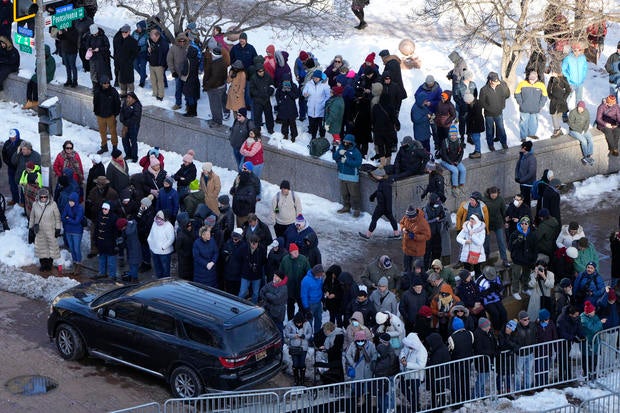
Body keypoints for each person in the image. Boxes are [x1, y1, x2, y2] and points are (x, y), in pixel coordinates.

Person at [358, 169, 400, 240]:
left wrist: (388, 208)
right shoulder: (383, 182)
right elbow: (379, 191)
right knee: (391, 219)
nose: (374, 177)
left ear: (379, 176)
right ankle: (397, 234)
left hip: (382, 206)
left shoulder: (385, 184)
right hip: (384, 206)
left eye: (375, 175)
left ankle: (367, 235)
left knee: (374, 219)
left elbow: (388, 197)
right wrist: (373, 196)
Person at [30, 189, 61, 272]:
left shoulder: (53, 204)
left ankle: (49, 264)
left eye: (45, 197)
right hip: (40, 231)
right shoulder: (35, 205)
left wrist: (58, 228)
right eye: (42, 197)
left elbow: (57, 217)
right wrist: (30, 228)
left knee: (51, 248)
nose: (43, 198)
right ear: (39, 197)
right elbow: (32, 217)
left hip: (50, 230)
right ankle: (43, 265)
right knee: (41, 248)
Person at [333, 134, 363, 217]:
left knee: (354, 194)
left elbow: (358, 163)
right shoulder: (341, 148)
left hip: (352, 177)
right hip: (342, 175)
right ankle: (346, 207)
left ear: (352, 143)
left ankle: (356, 209)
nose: (346, 143)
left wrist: (347, 160)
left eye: (348, 142)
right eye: (345, 142)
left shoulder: (356, 152)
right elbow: (335, 157)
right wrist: (339, 153)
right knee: (344, 193)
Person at [479, 71, 510, 151]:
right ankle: (490, 144)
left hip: (499, 113)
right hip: (489, 114)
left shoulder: (501, 87)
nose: (496, 83)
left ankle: (504, 142)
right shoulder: (484, 90)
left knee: (501, 128)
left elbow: (507, 95)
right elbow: (482, 103)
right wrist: (489, 108)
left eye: (497, 81)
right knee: (489, 130)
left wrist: (504, 85)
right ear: (490, 81)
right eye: (494, 82)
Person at [509, 216, 537, 300]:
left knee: (526, 275)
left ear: (529, 225)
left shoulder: (532, 234)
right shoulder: (515, 234)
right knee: (516, 275)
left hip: (528, 259)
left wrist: (533, 259)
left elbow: (535, 248)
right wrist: (518, 241)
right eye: (522, 223)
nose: (524, 225)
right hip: (517, 258)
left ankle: (525, 288)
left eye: (526, 224)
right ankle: (515, 291)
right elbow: (511, 247)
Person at [514, 70, 548, 141]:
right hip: (524, 108)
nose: (531, 81)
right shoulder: (522, 83)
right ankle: (523, 137)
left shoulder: (541, 85)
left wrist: (540, 105)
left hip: (535, 109)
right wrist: (520, 103)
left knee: (534, 123)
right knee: (523, 123)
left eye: (533, 79)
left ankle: (532, 134)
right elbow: (517, 93)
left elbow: (544, 96)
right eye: (530, 79)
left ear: (536, 78)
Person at [345, 331, 377, 406]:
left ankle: (371, 400)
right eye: (358, 341)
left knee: (369, 385)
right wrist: (353, 364)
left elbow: (374, 354)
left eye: (362, 340)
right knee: (358, 386)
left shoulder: (370, 345)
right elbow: (348, 354)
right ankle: (361, 399)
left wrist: (372, 362)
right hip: (357, 370)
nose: (360, 342)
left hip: (367, 370)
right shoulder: (353, 345)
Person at [398, 331, 427, 411]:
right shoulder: (408, 345)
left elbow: (421, 365)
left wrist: (407, 364)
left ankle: (416, 407)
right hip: (406, 373)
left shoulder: (422, 351)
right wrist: (403, 357)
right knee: (402, 386)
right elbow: (403, 351)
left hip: (416, 375)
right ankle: (413, 402)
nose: (409, 347)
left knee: (415, 391)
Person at [93, 75, 121, 155]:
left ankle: (115, 147)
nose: (106, 84)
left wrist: (115, 114)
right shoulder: (97, 91)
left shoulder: (113, 91)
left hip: (110, 116)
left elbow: (117, 103)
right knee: (102, 132)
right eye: (104, 83)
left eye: (108, 83)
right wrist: (96, 112)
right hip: (100, 115)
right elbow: (95, 102)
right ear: (101, 84)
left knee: (113, 132)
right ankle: (104, 146)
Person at [399, 205, 431, 273]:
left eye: (411, 218)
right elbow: (401, 223)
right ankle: (407, 282)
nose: (409, 219)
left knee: (417, 272)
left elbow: (427, 236)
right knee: (406, 270)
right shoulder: (407, 217)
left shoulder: (423, 222)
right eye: (408, 218)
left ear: (415, 215)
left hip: (417, 252)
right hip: (407, 250)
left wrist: (415, 236)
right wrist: (403, 228)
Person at [23, 45, 55, 110]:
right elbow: (36, 66)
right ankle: (29, 100)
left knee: (36, 84)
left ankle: (35, 100)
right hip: (39, 74)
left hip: (47, 76)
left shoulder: (51, 60)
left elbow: (49, 70)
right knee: (30, 83)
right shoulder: (40, 58)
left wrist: (42, 66)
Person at [285, 312, 313, 386]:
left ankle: (302, 380)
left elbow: (310, 333)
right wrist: (294, 335)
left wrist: (305, 336)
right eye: (297, 323)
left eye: (300, 323)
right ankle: (296, 379)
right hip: (294, 347)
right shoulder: (289, 323)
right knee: (295, 364)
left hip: (303, 347)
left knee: (302, 363)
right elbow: (286, 334)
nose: (298, 325)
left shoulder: (307, 323)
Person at [203, 47, 228, 127]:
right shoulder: (221, 61)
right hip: (219, 86)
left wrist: (206, 86)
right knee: (216, 105)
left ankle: (217, 122)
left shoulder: (217, 63)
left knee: (215, 105)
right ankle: (215, 119)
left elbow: (214, 78)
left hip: (215, 88)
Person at [473, 317, 498, 398]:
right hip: (481, 362)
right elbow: (479, 350)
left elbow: (492, 343)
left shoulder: (489, 332)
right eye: (488, 326)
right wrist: (491, 352)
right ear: (483, 326)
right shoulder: (478, 335)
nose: (490, 327)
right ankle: (476, 395)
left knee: (484, 380)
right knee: (481, 380)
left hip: (487, 361)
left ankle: (482, 395)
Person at [238, 235, 267, 304]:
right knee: (242, 292)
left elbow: (264, 261)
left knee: (255, 293)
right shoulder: (244, 248)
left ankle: (253, 307)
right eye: (252, 243)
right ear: (249, 242)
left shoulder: (262, 249)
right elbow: (240, 259)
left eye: (256, 243)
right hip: (245, 274)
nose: (254, 245)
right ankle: (238, 305)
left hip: (257, 275)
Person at [439, 124, 466, 197]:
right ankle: (455, 187)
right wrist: (450, 163)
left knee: (463, 169)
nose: (453, 136)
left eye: (455, 135)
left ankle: (461, 185)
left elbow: (461, 153)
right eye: (452, 135)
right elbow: (444, 155)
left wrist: (458, 161)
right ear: (449, 135)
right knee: (455, 170)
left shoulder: (459, 141)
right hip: (446, 161)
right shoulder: (445, 142)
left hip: (456, 160)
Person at [259, 270, 288, 335]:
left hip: (278, 313)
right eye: (274, 276)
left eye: (276, 276)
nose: (274, 277)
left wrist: (267, 295)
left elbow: (276, 299)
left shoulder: (283, 288)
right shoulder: (271, 283)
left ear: (280, 279)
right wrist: (269, 298)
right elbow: (261, 291)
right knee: (267, 329)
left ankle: (281, 343)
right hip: (268, 310)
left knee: (279, 330)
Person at [147, 210, 175, 278]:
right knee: (157, 270)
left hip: (164, 253)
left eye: (160, 218)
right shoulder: (154, 223)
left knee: (165, 271)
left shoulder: (169, 226)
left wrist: (163, 247)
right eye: (157, 217)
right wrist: (149, 242)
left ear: (164, 218)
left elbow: (171, 239)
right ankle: (159, 284)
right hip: (154, 251)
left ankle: (166, 284)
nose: (158, 219)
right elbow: (151, 234)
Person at [580, 300, 604, 378]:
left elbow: (600, 329)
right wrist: (600, 323)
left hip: (595, 343)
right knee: (586, 360)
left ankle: (593, 374)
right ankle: (587, 375)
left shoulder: (595, 316)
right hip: (586, 344)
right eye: (593, 311)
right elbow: (593, 328)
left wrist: (598, 325)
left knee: (595, 360)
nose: (594, 312)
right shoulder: (583, 319)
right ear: (588, 313)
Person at [249, 64, 275, 134]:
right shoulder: (253, 78)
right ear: (257, 71)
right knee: (257, 116)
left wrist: (269, 92)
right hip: (257, 101)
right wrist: (260, 94)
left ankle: (270, 129)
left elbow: (272, 85)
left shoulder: (267, 76)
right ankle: (257, 129)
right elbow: (252, 90)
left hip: (266, 99)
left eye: (263, 71)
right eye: (260, 71)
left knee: (269, 115)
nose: (262, 72)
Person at [113, 24, 138, 97]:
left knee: (129, 81)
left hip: (128, 65)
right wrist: (116, 62)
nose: (124, 33)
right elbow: (116, 52)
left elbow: (135, 53)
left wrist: (130, 61)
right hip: (120, 64)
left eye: (125, 32)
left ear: (129, 32)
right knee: (121, 81)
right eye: (122, 32)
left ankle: (131, 95)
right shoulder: (118, 40)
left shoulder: (133, 41)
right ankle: (123, 94)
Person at [547, 65, 571, 137]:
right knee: (553, 115)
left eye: (554, 71)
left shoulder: (564, 79)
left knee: (559, 115)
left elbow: (568, 90)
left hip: (561, 101)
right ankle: (557, 129)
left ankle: (558, 130)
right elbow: (548, 89)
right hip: (554, 101)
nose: (552, 73)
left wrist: (564, 98)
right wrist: (550, 96)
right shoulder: (551, 79)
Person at [300, 264, 325, 335]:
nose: (321, 276)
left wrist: (323, 300)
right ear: (315, 273)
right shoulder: (306, 281)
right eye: (319, 274)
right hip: (310, 304)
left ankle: (317, 335)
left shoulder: (320, 278)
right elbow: (303, 295)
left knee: (319, 320)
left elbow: (321, 289)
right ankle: (309, 337)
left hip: (318, 303)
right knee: (309, 322)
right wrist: (307, 309)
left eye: (321, 274)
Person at [275, 74, 300, 141]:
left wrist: (289, 91)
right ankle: (285, 134)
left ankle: (293, 136)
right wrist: (280, 99)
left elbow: (296, 96)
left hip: (291, 108)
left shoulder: (294, 86)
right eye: (284, 81)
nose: (286, 82)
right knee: (284, 123)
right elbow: (277, 96)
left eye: (287, 80)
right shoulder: (280, 86)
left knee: (292, 123)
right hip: (283, 108)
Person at [167, 33, 189, 111]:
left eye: (184, 41)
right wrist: (173, 71)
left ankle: (188, 105)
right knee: (178, 89)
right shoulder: (173, 48)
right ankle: (178, 104)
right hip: (178, 73)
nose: (182, 42)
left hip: (187, 73)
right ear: (178, 40)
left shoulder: (188, 47)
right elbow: (169, 60)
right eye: (180, 41)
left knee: (187, 90)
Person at [147, 29, 169, 101]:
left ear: (158, 36)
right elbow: (150, 53)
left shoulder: (163, 43)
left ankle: (160, 95)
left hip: (159, 65)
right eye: (151, 37)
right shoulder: (151, 41)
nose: (151, 38)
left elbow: (166, 55)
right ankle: (155, 93)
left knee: (160, 81)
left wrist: (163, 65)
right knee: (153, 80)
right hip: (152, 64)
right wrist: (149, 52)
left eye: (153, 37)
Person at [3, 129, 22, 205]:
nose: (12, 139)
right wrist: (9, 164)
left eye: (14, 137)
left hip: (21, 169)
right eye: (11, 137)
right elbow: (4, 155)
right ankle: (15, 200)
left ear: (17, 136)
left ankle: (23, 202)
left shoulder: (22, 143)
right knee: (12, 185)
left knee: (23, 186)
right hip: (11, 168)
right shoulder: (7, 143)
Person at [515, 140, 537, 206]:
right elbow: (517, 167)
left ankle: (527, 214)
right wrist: (517, 177)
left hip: (528, 184)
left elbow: (531, 173)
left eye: (521, 147)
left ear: (525, 148)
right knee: (523, 201)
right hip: (522, 183)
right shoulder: (522, 156)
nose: (520, 148)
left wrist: (521, 180)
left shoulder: (531, 158)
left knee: (526, 201)